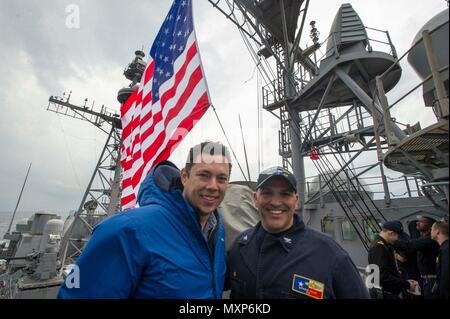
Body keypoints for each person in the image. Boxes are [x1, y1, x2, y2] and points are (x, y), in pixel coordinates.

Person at [58, 141, 232, 298]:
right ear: (184, 177)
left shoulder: (216, 230)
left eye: (222, 179)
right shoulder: (126, 230)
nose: (212, 186)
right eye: (204, 175)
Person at [228, 167, 369, 299]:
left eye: (285, 194)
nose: (276, 202)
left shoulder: (330, 254)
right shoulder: (240, 247)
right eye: (267, 193)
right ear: (255, 199)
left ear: (296, 201)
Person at [368, 221, 418, 299]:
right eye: (398, 236)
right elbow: (382, 277)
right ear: (391, 233)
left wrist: (397, 276)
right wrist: (407, 284)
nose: (398, 239)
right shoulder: (379, 247)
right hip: (384, 294)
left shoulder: (383, 245)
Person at [394, 216, 440, 298]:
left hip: (431, 280)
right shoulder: (423, 239)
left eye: (421, 222)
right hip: (426, 279)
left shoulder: (429, 240)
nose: (417, 223)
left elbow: (409, 246)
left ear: (430, 227)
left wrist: (390, 240)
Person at [431, 221, 449, 298]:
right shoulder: (444, 247)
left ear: (437, 231)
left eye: (432, 229)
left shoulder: (446, 249)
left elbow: (446, 275)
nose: (430, 231)